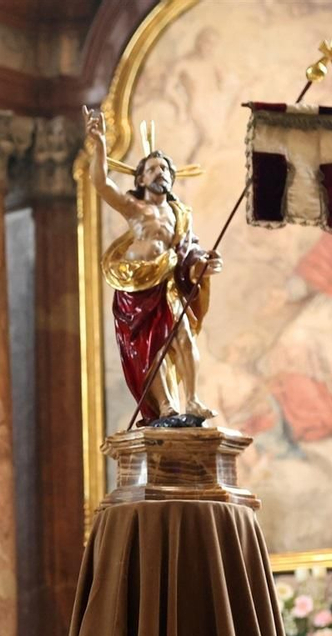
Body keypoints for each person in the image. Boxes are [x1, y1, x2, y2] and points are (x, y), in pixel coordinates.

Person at [84, 108, 222, 424]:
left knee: (184, 336)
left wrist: (203, 264)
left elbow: (189, 251)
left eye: (165, 169)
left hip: (169, 284)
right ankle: (166, 407)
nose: (160, 173)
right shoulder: (134, 207)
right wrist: (100, 144)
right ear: (141, 179)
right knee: (152, 348)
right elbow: (102, 183)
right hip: (139, 287)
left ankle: (193, 400)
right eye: (152, 169)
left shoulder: (181, 214)